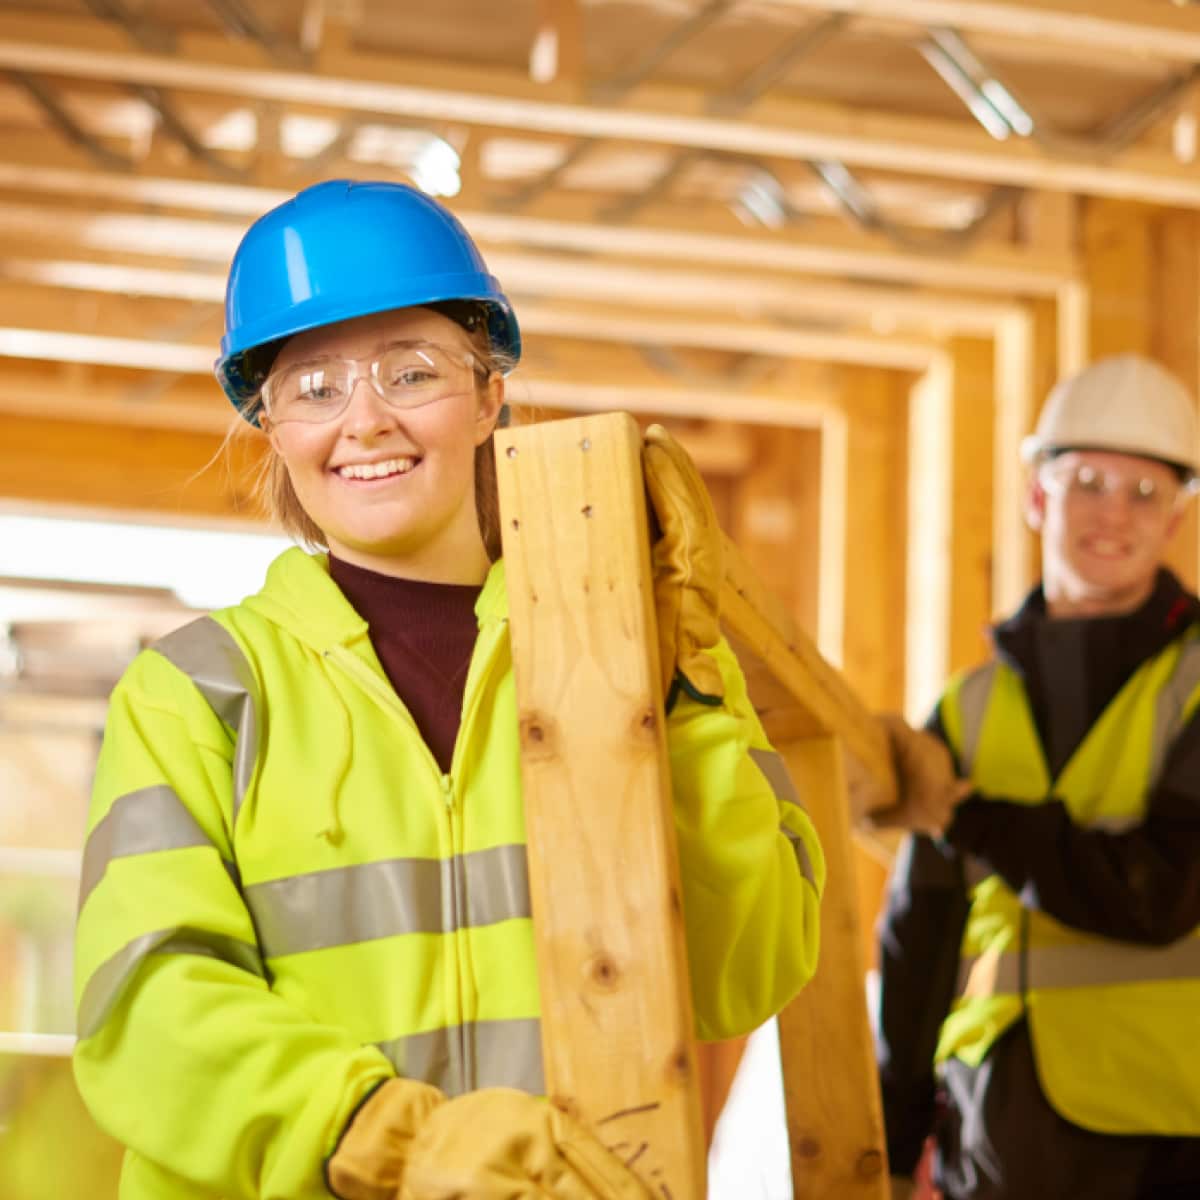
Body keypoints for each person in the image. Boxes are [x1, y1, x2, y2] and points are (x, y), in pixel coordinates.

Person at [71, 179, 825, 1200]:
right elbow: (144, 1009)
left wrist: (681, 686)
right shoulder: (196, 694)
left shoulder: (632, 652)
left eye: (409, 371)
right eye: (315, 386)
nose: (365, 419)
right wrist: (392, 1140)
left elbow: (753, 967)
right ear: (270, 426)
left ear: (488, 395)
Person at [874, 354, 1200, 1200]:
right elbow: (923, 934)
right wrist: (888, 1135)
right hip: (1000, 1122)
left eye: (1144, 493)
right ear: (1034, 497)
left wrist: (975, 818)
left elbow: (1161, 891)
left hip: (1172, 1127)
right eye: (1088, 480)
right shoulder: (969, 703)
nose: (1113, 514)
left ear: (1174, 520)